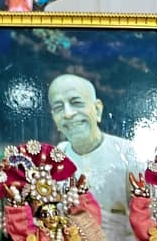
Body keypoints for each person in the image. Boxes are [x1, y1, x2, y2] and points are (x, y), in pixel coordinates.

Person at [49, 74, 142, 241]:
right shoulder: (55, 159)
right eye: (58, 107)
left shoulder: (128, 154)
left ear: (97, 109)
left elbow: (147, 224)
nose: (68, 114)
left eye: (76, 103)